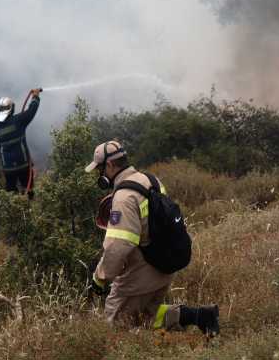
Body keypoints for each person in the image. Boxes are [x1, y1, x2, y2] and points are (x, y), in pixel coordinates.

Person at [85, 140, 219, 335]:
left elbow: (118, 246)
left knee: (115, 322)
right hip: (164, 264)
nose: (100, 175)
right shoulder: (151, 180)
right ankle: (200, 316)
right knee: (148, 316)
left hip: (142, 269)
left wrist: (100, 278)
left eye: (100, 170)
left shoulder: (124, 196)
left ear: (110, 165)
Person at [0, 89, 40, 199]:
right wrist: (35, 97)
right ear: (11, 108)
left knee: (11, 192)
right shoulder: (19, 120)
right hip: (23, 163)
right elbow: (31, 111)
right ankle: (29, 207)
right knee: (28, 188)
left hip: (7, 167)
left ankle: (14, 212)